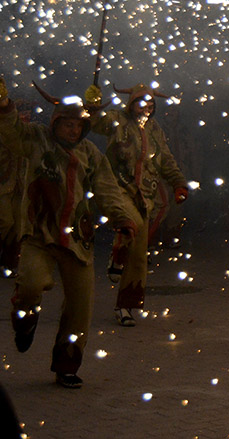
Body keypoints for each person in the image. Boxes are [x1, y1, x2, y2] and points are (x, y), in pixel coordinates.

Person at [0, 77, 141, 388]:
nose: (74, 130)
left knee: (80, 309)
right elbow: (11, 132)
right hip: (39, 236)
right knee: (31, 286)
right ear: (55, 122)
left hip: (78, 240)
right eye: (67, 124)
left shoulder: (91, 154)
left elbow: (107, 190)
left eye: (78, 125)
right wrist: (4, 105)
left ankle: (67, 364)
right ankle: (25, 321)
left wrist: (123, 218)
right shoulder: (36, 139)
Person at [86, 83, 189, 327]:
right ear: (131, 104)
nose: (146, 109)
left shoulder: (154, 129)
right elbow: (96, 123)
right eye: (142, 104)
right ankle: (117, 255)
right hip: (119, 188)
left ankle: (125, 306)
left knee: (139, 257)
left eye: (151, 105)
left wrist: (178, 183)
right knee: (128, 222)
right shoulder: (117, 120)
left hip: (146, 196)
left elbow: (166, 160)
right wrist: (92, 108)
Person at [0, 100, 30, 277]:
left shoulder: (26, 135)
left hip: (20, 186)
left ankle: (9, 261)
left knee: (18, 226)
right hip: (3, 185)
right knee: (5, 221)